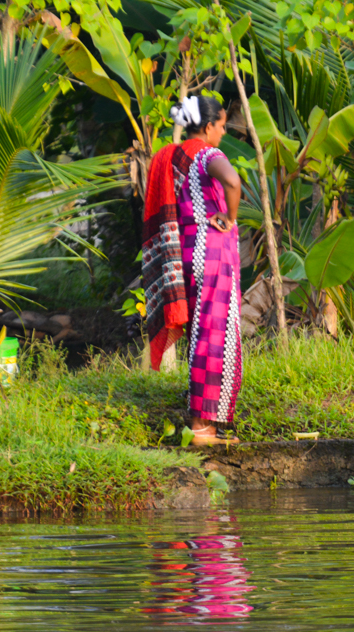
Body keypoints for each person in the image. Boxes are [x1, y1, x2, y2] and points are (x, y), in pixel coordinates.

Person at [142, 95, 244, 446]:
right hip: (212, 255)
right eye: (222, 125)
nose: (223, 132)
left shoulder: (170, 156)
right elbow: (232, 181)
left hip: (185, 254)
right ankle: (203, 429)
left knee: (201, 336)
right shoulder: (207, 154)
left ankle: (201, 425)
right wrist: (230, 218)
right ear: (209, 126)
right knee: (215, 336)